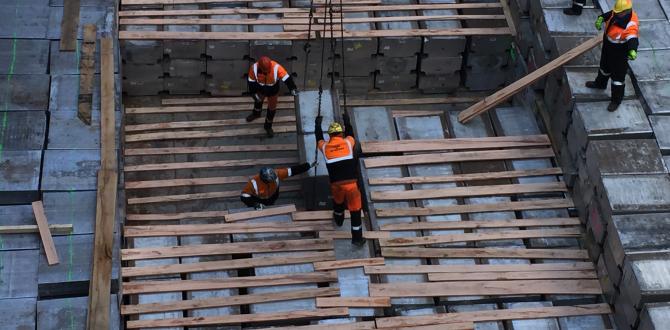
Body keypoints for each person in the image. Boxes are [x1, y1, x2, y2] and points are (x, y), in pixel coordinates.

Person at [315, 112, 365, 246]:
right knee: (355, 210)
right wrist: (347, 121)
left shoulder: (324, 147)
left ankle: (338, 219)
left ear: (330, 135)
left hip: (336, 184)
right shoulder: (348, 143)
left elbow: (318, 139)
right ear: (341, 133)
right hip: (351, 186)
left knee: (338, 203)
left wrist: (317, 125)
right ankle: (357, 239)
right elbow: (351, 135)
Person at [585, 0, 639, 112]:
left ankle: (616, 100)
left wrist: (633, 50)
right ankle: (600, 84)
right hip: (608, 48)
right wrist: (601, 18)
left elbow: (633, 38)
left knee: (617, 79)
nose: (616, 13)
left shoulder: (630, 24)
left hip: (620, 54)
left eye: (618, 12)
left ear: (626, 11)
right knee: (604, 68)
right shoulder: (618, 13)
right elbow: (610, 14)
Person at [247, 56, 298, 137]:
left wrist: (293, 88)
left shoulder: (276, 67)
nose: (267, 72)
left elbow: (287, 78)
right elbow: (251, 81)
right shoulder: (254, 68)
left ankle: (268, 126)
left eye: (268, 70)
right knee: (258, 101)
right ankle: (256, 113)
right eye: (265, 71)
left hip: (273, 91)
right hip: (260, 89)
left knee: (272, 109)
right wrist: (253, 93)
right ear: (260, 67)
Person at [241, 163, 312, 209]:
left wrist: (308, 166)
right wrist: (254, 204)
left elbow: (292, 171)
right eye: (270, 180)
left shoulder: (277, 174)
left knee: (269, 208)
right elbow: (244, 196)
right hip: (259, 199)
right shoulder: (254, 183)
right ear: (264, 180)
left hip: (272, 197)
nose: (273, 180)